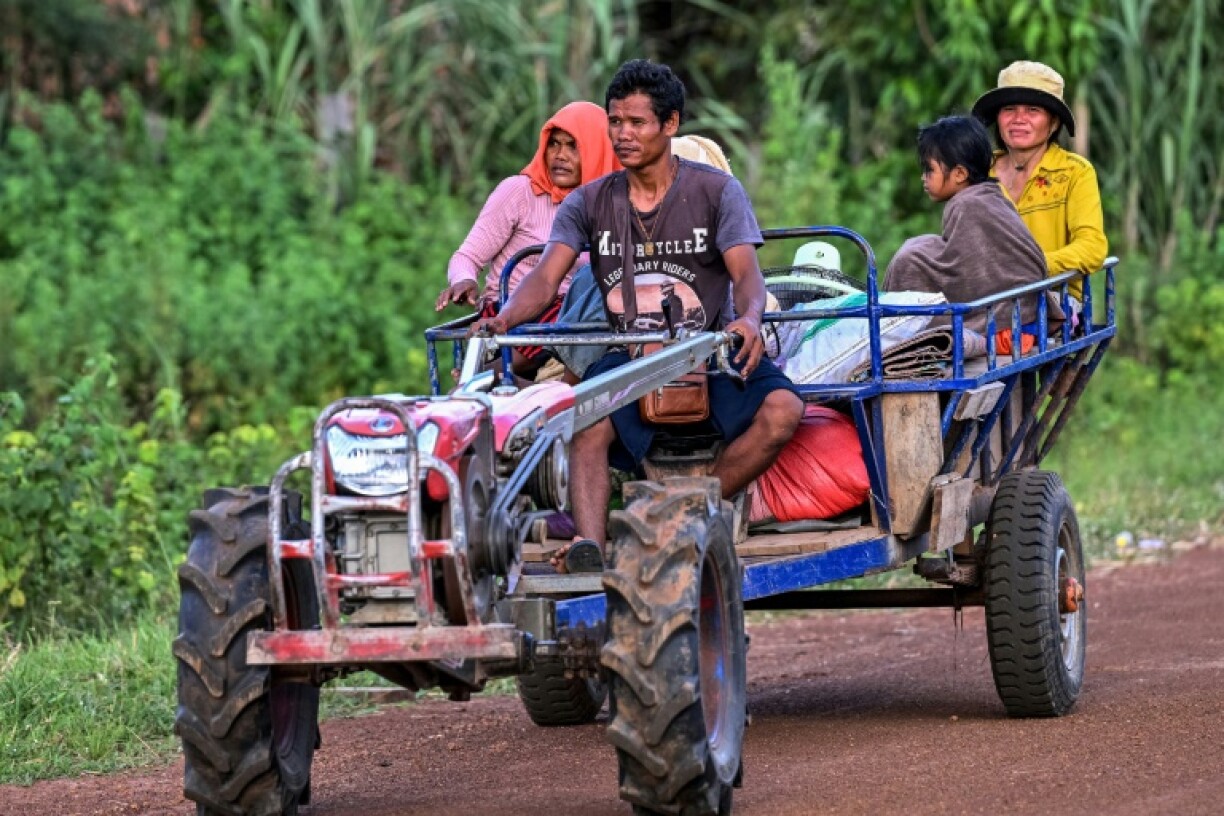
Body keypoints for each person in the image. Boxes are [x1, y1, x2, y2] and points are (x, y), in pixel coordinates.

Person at [470, 59, 804, 572]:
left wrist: (751, 319)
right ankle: (590, 548)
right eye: (615, 122)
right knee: (585, 425)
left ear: (670, 125)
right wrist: (504, 319)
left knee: (784, 411)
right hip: (630, 359)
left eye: (637, 123)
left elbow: (746, 275)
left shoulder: (716, 192)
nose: (623, 135)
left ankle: (694, 506)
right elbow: (544, 278)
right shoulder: (588, 202)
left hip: (708, 353)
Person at [436, 101, 620, 376]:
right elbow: (467, 256)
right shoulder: (520, 192)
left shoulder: (609, 206)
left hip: (570, 315)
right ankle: (487, 374)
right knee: (554, 312)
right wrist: (463, 280)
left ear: (597, 152)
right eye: (554, 144)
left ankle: (489, 375)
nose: (560, 155)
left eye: (573, 147)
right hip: (510, 309)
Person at [884, 115, 1062, 352]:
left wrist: (912, 259)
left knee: (910, 258)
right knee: (922, 246)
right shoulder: (991, 195)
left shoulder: (967, 205)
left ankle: (894, 333)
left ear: (959, 174)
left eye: (929, 170)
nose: (923, 178)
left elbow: (964, 276)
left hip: (1005, 331)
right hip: (1025, 320)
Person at [971, 60, 1108, 306]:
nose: (1019, 119)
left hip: (1054, 299)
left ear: (1053, 122)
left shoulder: (1075, 172)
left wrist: (1031, 266)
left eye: (1032, 110)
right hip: (987, 300)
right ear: (998, 118)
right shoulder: (980, 171)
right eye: (1009, 109)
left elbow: (1092, 247)